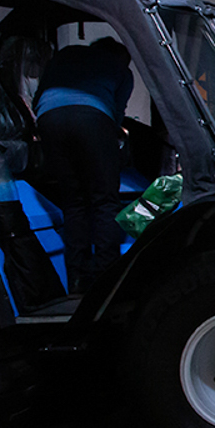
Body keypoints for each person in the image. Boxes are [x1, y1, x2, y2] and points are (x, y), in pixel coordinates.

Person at [33, 36, 134, 294]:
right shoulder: (122, 68)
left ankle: (76, 281)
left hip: (49, 117)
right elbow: (116, 117)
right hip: (93, 117)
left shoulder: (67, 53)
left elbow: (38, 95)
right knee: (104, 202)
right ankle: (106, 282)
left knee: (74, 204)